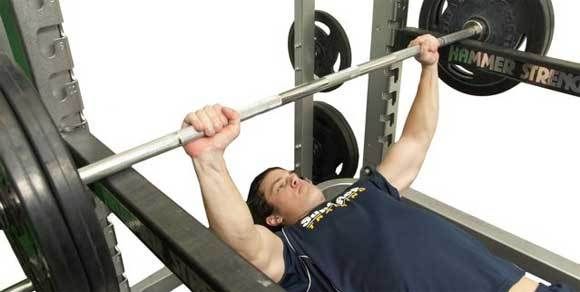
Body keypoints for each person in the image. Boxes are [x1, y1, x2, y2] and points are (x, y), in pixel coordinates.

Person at [182, 35, 571, 292]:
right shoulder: (293, 248)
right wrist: (210, 159)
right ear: (271, 218)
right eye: (281, 185)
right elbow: (242, 243)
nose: (296, 179)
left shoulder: (366, 190)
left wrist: (430, 68)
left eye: (292, 174)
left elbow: (416, 141)